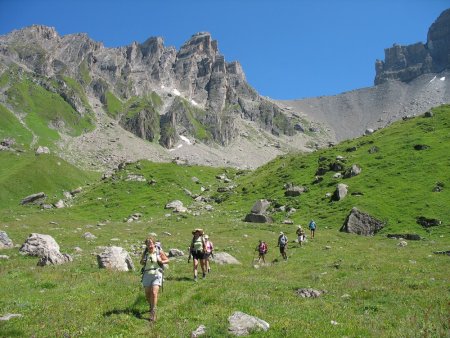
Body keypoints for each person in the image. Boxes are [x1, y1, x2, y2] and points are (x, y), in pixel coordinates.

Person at [140, 236, 169, 322]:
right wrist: (143, 261)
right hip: (147, 274)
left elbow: (167, 260)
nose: (150, 245)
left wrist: (161, 261)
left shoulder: (159, 251)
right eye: (148, 243)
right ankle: (151, 305)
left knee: (154, 292)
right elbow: (141, 262)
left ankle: (153, 312)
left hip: (157, 274)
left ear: (154, 243)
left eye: (151, 243)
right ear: (146, 245)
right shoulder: (145, 253)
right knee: (147, 294)